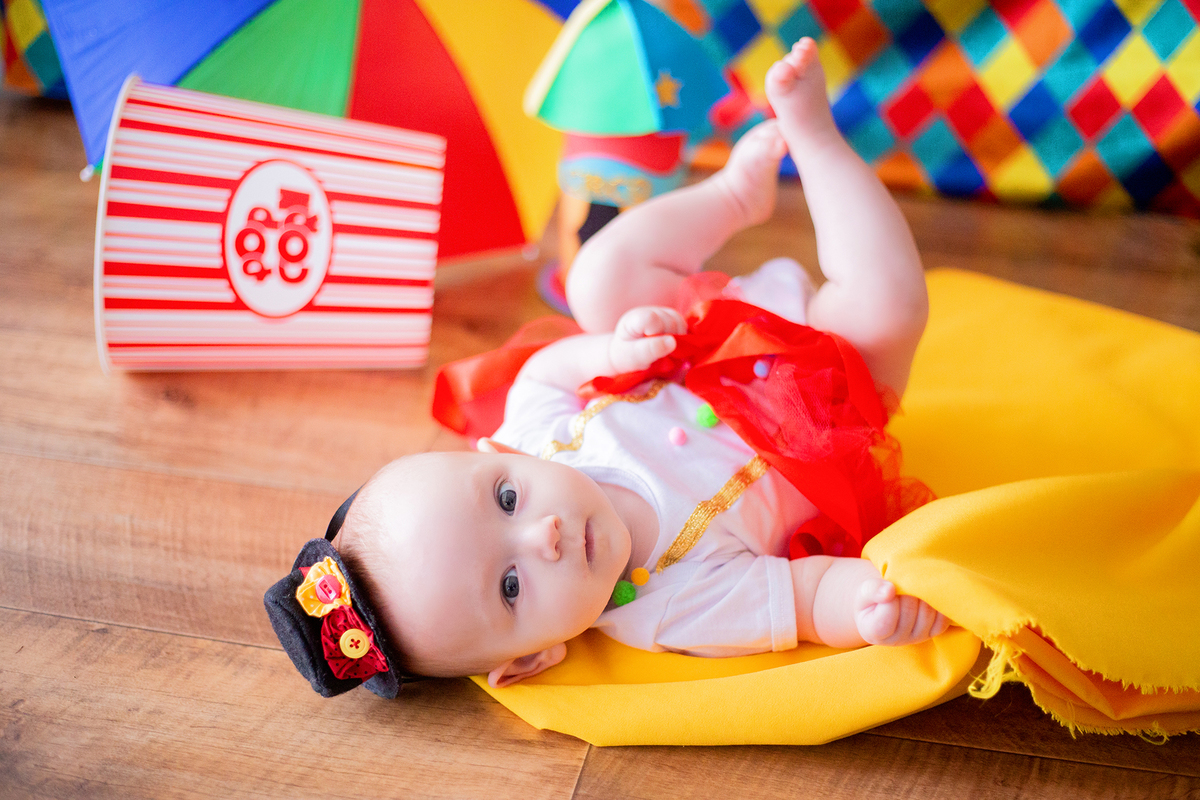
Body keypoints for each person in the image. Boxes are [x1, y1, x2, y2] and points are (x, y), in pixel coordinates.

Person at [271, 39, 948, 697]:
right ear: (533, 656)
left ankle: (733, 197)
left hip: (704, 335)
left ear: (497, 451)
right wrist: (864, 608)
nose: (546, 534)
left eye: (506, 497)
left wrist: (611, 353)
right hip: (830, 396)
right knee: (888, 305)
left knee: (597, 279)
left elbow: (541, 374)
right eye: (512, 585)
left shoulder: (541, 439)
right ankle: (818, 138)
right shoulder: (669, 606)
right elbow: (802, 598)